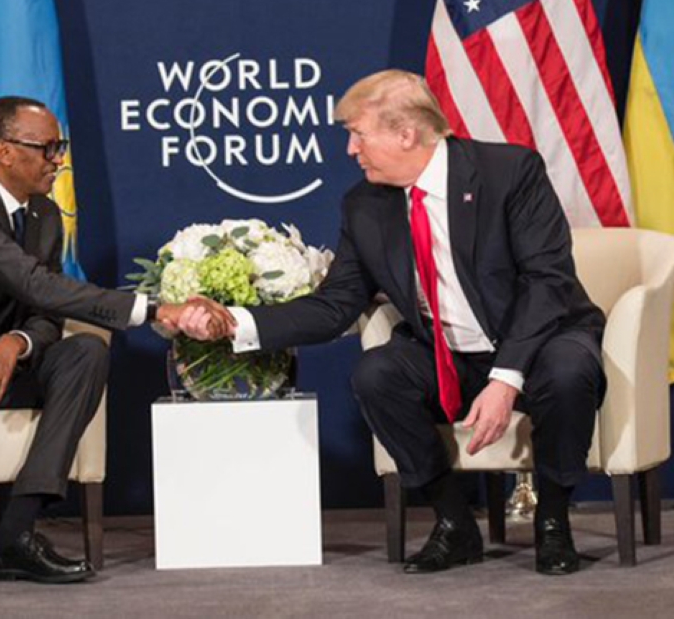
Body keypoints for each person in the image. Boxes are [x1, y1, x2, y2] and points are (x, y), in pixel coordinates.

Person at [178, 70, 606, 576]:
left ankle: (553, 521)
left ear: (406, 134)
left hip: (539, 343)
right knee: (377, 374)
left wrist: (506, 377)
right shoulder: (365, 206)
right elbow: (335, 306)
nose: (350, 150)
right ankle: (453, 522)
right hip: (447, 356)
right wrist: (236, 324)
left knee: (567, 370)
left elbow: (547, 281)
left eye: (358, 134)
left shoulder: (508, 172)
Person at [0, 95, 197, 593]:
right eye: (47, 148)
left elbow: (44, 312)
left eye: (59, 146)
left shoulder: (44, 215)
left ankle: (16, 534)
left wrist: (18, 342)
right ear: (5, 152)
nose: (58, 159)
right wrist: (153, 309)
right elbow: (36, 284)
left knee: (87, 351)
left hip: (0, 368)